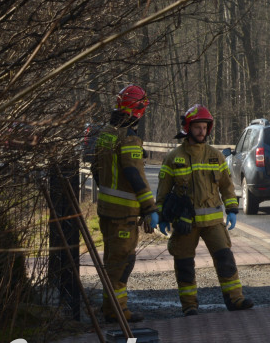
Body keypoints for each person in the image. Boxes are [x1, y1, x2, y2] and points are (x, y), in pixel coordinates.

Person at [156, 104, 254, 316]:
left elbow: (227, 187)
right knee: (184, 265)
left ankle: (235, 300)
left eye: (204, 127)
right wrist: (162, 216)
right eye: (198, 127)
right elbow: (163, 190)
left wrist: (232, 209)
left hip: (213, 222)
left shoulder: (215, 156)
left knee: (226, 260)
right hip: (185, 223)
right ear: (188, 128)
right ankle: (189, 305)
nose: (202, 131)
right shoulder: (174, 157)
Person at [94, 84, 158, 323]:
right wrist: (149, 208)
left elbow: (96, 170)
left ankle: (111, 308)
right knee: (121, 264)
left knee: (112, 261)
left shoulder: (106, 133)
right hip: (123, 215)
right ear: (138, 109)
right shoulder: (129, 138)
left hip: (106, 211)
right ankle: (117, 311)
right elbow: (134, 174)